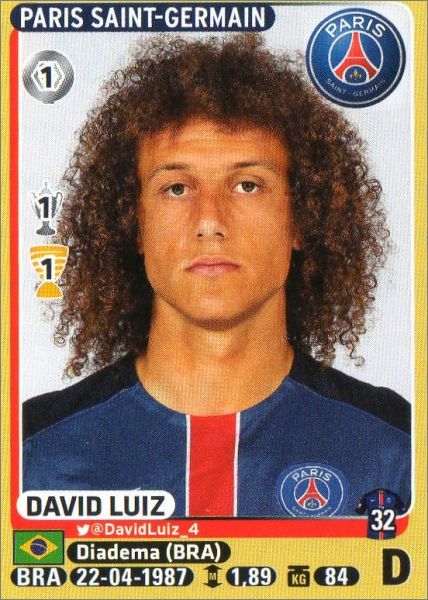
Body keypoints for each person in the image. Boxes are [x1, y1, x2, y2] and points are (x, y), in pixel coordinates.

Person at [23, 34, 410, 518]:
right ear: (133, 222)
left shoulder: (396, 449)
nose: (209, 220)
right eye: (176, 188)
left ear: (301, 219)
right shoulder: (32, 453)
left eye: (248, 185)